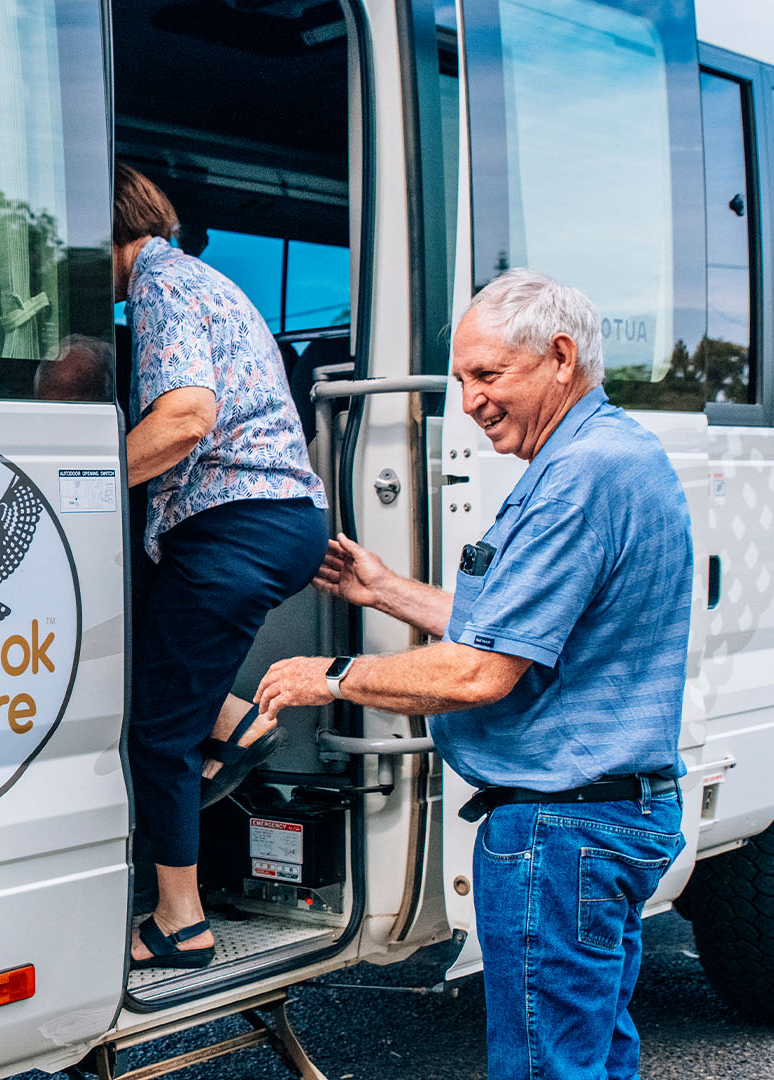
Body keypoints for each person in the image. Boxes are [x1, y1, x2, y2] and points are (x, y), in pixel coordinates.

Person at [252, 269, 692, 1080]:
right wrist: (384, 589)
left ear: (561, 357)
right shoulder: (610, 455)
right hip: (603, 824)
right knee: (593, 1054)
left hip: (564, 836)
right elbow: (517, 627)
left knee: (545, 1070)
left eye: (488, 375)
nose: (471, 401)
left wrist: (336, 675)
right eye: (460, 380)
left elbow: (481, 672)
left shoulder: (579, 479)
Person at [115, 164, 330, 969]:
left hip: (234, 528)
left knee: (160, 734)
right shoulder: (203, 278)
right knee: (156, 671)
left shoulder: (158, 287)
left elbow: (186, 417)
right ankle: (237, 721)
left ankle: (181, 924)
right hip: (278, 523)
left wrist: (84, 486)